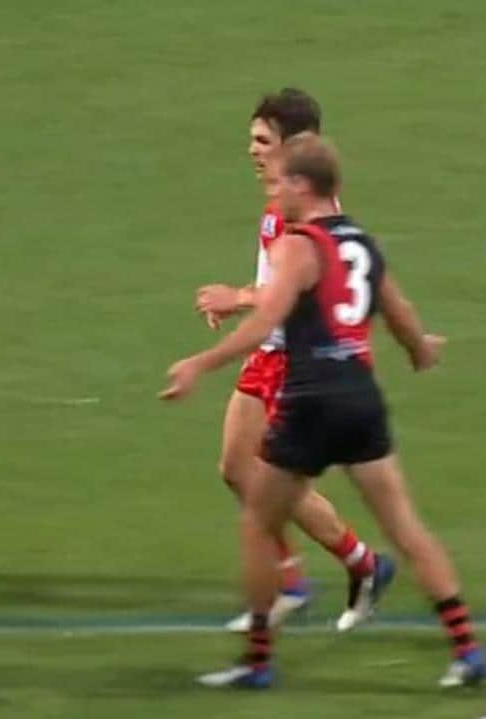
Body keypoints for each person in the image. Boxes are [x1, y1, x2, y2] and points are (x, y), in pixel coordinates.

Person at [163, 135, 482, 689]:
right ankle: (466, 649)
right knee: (405, 527)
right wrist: (421, 352)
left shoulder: (298, 245)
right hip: (362, 400)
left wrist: (200, 364)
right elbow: (401, 314)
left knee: (259, 526)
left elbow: (264, 325)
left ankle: (257, 662)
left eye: (279, 180)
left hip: (310, 402)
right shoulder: (363, 242)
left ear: (302, 185)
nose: (273, 190)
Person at [194, 88, 388, 632]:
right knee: (237, 469)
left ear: (294, 145)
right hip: (269, 351)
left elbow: (291, 291)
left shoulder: (306, 214)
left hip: (296, 361)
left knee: (273, 483)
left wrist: (235, 299)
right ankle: (296, 583)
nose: (251, 151)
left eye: (262, 141)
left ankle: (361, 565)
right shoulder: (280, 204)